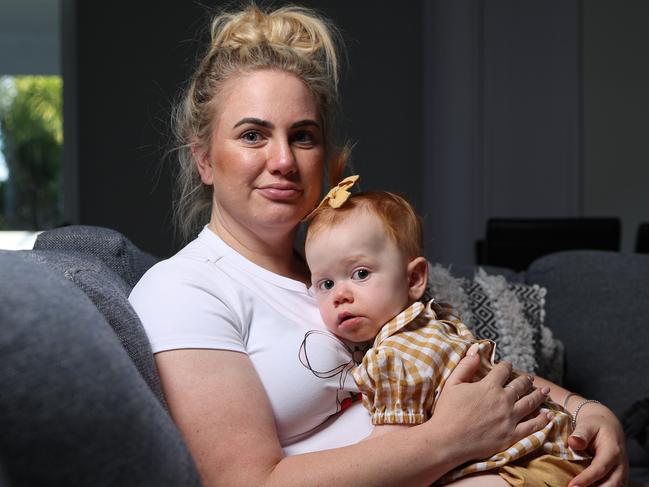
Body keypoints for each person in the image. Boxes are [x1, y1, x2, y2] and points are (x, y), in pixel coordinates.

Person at [128, 4, 628, 486]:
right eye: (253, 135)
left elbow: (454, 357)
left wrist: (587, 410)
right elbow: (245, 482)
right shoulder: (184, 290)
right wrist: (449, 440)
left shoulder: (345, 271)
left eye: (303, 136)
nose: (283, 159)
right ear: (205, 160)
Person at [303, 181, 593, 485]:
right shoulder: (432, 321)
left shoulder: (395, 356)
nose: (340, 295)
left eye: (360, 274)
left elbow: (392, 457)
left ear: (414, 278)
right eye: (325, 284)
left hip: (525, 462)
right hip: (556, 447)